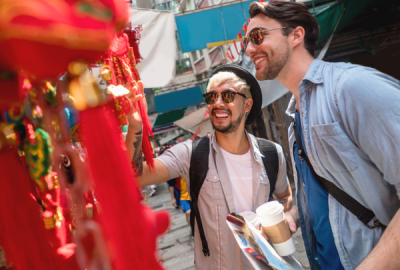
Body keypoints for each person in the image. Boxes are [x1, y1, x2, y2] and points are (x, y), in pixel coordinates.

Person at [245, 1, 400, 269]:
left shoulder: (351, 87)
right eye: (247, 41)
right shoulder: (296, 116)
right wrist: (293, 215)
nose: (249, 49)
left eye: (258, 36)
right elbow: (330, 194)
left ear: (296, 35)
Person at [125, 65, 292, 269]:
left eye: (228, 96)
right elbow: (135, 175)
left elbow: (285, 197)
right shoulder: (191, 154)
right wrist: (135, 126)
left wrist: (277, 222)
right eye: (212, 97)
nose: (218, 103)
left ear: (247, 104)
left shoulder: (272, 153)